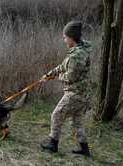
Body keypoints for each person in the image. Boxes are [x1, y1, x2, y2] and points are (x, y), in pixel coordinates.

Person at [40, 21, 92, 156]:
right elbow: (63, 66)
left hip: (76, 94)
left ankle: (53, 145)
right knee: (77, 122)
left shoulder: (77, 55)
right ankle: (84, 149)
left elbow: (70, 77)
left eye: (65, 37)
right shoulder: (76, 52)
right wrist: (48, 75)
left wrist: (56, 78)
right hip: (82, 94)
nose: (63, 40)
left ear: (71, 38)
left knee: (56, 115)